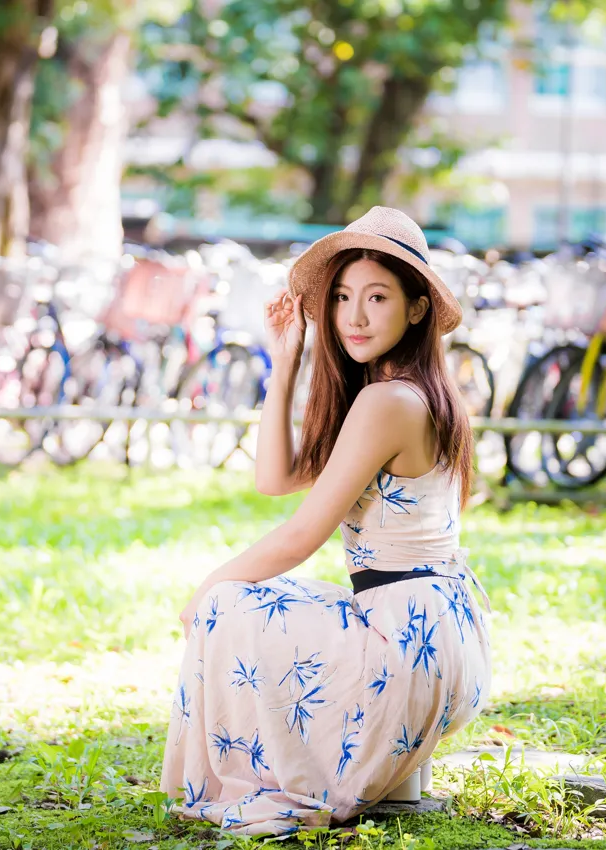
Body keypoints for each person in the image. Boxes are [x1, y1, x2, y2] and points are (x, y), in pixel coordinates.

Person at [160, 207, 493, 835]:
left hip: (407, 638)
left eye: (376, 297)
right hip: (438, 633)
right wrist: (286, 359)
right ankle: (391, 772)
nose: (354, 317)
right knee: (264, 602)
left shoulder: (387, 401)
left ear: (418, 308)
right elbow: (274, 479)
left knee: (231, 606)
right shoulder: (412, 392)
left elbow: (300, 535)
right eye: (341, 298)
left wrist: (209, 588)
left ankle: (366, 762)